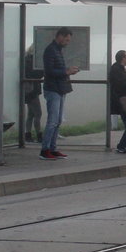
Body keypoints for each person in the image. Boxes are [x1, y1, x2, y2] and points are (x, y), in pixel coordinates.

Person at [41, 28, 80, 160]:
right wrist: (67, 72)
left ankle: (53, 148)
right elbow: (50, 71)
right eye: (67, 39)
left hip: (60, 88)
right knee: (52, 121)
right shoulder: (50, 50)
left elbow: (56, 69)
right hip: (53, 89)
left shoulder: (57, 50)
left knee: (57, 121)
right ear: (60, 36)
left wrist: (67, 71)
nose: (68, 42)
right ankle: (45, 150)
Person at [23, 45, 44, 142]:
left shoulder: (26, 59)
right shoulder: (31, 61)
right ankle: (39, 135)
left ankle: (28, 135)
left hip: (29, 89)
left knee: (31, 114)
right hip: (32, 90)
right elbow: (37, 74)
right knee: (38, 113)